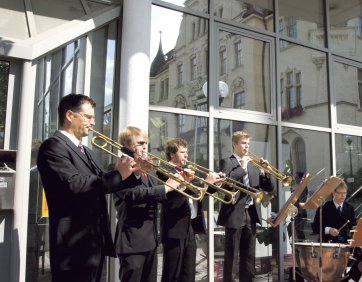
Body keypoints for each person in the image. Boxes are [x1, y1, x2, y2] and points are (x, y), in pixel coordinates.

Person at [36, 94, 137, 282]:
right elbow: (76, 184)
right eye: (88, 117)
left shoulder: (87, 151)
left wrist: (133, 171)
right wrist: (118, 174)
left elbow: (103, 184)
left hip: (93, 242)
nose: (93, 122)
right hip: (72, 246)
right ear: (69, 115)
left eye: (93, 118)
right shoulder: (53, 147)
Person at [113, 126, 183, 282]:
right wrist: (165, 186)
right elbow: (131, 195)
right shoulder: (118, 167)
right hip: (132, 243)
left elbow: (160, 197)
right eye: (140, 143)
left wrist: (182, 184)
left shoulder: (149, 170)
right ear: (127, 145)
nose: (145, 147)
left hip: (150, 241)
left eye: (146, 143)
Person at [159, 138, 222, 282]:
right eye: (182, 152)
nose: (187, 155)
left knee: (188, 273)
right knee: (171, 274)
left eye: (187, 152)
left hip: (190, 227)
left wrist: (214, 184)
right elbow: (185, 191)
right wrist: (205, 182)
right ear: (172, 154)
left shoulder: (186, 171)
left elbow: (199, 193)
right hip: (174, 227)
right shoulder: (164, 170)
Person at [217, 131, 275, 282]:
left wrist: (267, 173)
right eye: (243, 143)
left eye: (248, 144)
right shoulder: (227, 162)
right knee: (232, 254)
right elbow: (225, 184)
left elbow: (267, 188)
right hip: (234, 213)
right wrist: (241, 168)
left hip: (251, 213)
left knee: (249, 254)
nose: (246, 147)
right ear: (234, 144)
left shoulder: (253, 165)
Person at [312, 180, 362, 282]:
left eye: (345, 193)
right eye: (340, 193)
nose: (343, 196)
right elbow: (315, 227)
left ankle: (347, 278)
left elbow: (352, 224)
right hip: (328, 243)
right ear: (334, 193)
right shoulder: (324, 208)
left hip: (344, 242)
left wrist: (356, 228)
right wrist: (329, 230)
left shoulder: (349, 208)